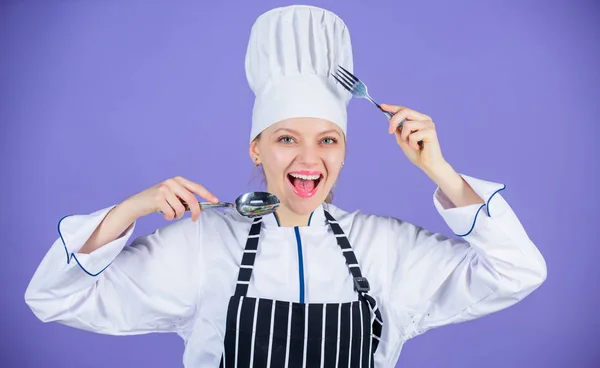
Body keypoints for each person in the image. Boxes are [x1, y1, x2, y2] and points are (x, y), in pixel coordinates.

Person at [25, 5, 547, 368]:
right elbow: (54, 297)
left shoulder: (385, 249)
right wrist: (132, 208)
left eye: (327, 139)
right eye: (286, 139)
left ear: (343, 150)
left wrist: (440, 171)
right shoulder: (205, 243)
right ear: (256, 147)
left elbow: (518, 271)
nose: (309, 158)